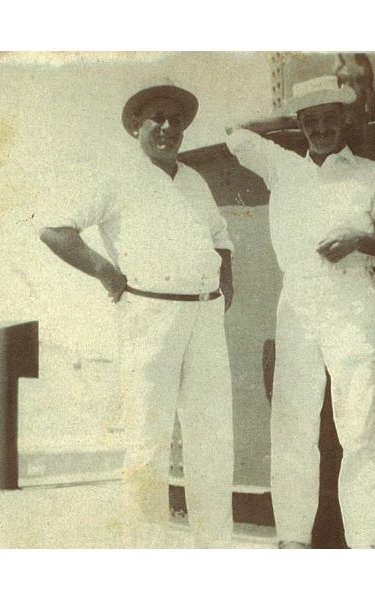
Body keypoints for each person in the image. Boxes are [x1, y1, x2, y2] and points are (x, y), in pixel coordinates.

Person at [39, 78, 235, 548]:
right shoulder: (114, 174)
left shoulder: (193, 180)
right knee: (148, 441)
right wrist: (108, 273)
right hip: (151, 316)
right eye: (157, 120)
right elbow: (55, 230)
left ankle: (215, 550)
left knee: (212, 439)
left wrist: (225, 285)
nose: (168, 128)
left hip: (205, 319)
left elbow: (221, 239)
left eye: (176, 121)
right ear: (136, 127)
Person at [226, 75, 375, 548]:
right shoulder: (282, 167)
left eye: (329, 117)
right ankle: (293, 539)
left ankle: (366, 543)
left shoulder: (372, 174)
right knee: (293, 422)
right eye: (311, 120)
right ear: (299, 125)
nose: (321, 129)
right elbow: (233, 132)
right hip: (298, 297)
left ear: (345, 120)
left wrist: (360, 240)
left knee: (361, 420)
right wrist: (285, 116)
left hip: (353, 294)